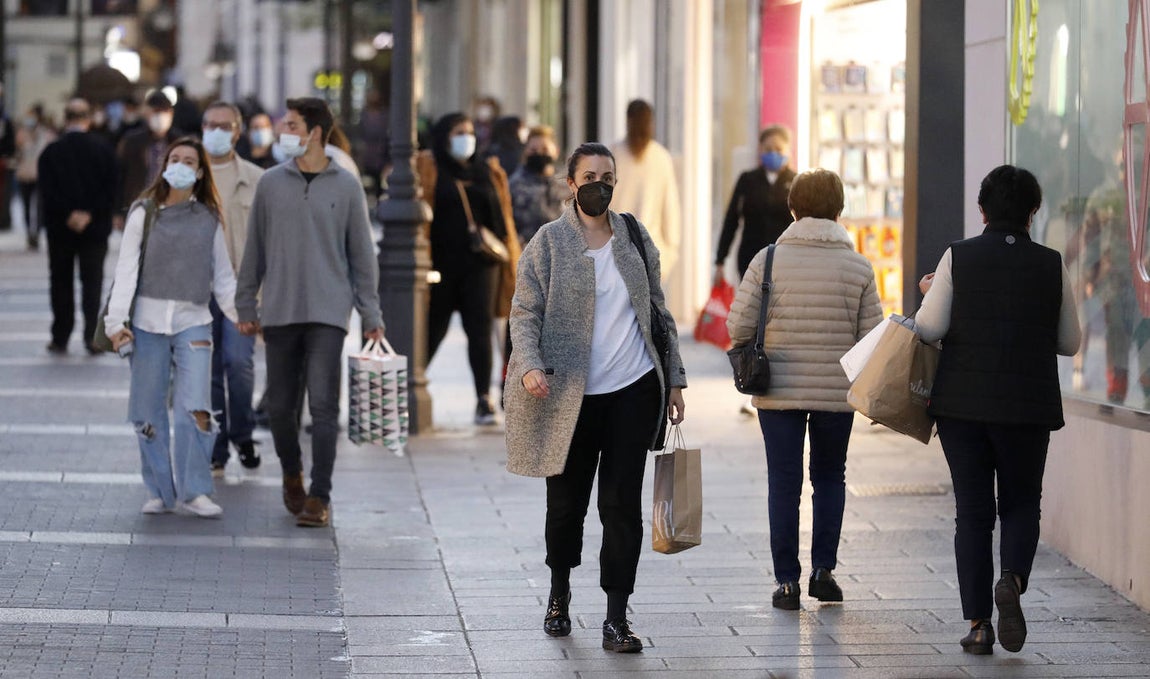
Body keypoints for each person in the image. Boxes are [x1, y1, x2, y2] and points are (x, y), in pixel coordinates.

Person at [504, 142, 687, 653]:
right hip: (569, 395)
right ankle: (559, 590)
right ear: (571, 183)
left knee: (621, 507)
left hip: (632, 389)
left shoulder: (632, 234)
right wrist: (530, 366)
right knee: (566, 507)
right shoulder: (548, 242)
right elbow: (523, 312)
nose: (599, 184)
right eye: (589, 176)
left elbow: (658, 311)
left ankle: (615, 617)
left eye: (607, 176)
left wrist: (674, 378)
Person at [916, 165, 1082, 655]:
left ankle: (979, 626)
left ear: (982, 210)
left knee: (972, 513)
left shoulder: (957, 258)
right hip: (1028, 409)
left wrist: (931, 292)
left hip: (962, 408)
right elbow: (1069, 343)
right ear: (1033, 212)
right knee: (1020, 502)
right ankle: (1010, 577)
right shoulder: (1051, 264)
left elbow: (927, 329)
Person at [726, 168, 882, 612]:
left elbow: (737, 326)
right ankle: (824, 572)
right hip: (837, 393)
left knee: (784, 481)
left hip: (778, 390)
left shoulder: (768, 259)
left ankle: (787, 583)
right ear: (839, 209)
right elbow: (873, 341)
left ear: (793, 208)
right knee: (831, 477)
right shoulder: (859, 266)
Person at [236, 97, 383, 529]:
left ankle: (320, 494)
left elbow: (362, 255)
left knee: (323, 406)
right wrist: (246, 303)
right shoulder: (270, 183)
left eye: (292, 125)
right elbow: (254, 252)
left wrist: (370, 312)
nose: (284, 132)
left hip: (328, 312)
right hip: (279, 310)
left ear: (315, 133)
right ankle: (291, 473)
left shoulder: (346, 185)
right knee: (281, 407)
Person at [103, 136, 236, 518]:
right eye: (173, 158)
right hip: (145, 323)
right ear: (164, 166)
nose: (178, 164)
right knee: (147, 411)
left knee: (196, 408)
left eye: (187, 160)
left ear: (198, 172)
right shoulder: (144, 213)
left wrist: (242, 317)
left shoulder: (209, 218)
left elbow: (223, 277)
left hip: (194, 321)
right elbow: (126, 270)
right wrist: (116, 323)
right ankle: (161, 489)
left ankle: (196, 489)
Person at [424, 112, 510, 425]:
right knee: (434, 327)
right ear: (445, 137)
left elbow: (500, 219)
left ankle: (482, 399)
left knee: (479, 330)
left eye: (470, 131)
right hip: (443, 264)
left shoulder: (486, 170)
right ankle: (411, 386)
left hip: (481, 265)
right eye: (459, 132)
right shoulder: (431, 168)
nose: (466, 138)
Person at [201, 101, 266, 477]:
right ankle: (217, 447)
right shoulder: (188, 175)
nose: (217, 131)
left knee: (239, 365)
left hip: (241, 290)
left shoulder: (257, 179)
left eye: (224, 126)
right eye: (210, 124)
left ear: (237, 132)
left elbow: (269, 243)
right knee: (208, 372)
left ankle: (242, 432)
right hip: (197, 290)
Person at [37, 98, 119, 355]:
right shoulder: (105, 150)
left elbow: (47, 191)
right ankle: (91, 336)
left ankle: (60, 335)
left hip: (61, 228)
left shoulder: (52, 151)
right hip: (95, 229)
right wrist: (89, 213)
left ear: (66, 117)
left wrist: (69, 214)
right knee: (92, 282)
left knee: (60, 280)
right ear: (89, 119)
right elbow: (111, 189)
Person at [609, 100, 681, 281]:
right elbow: (671, 211)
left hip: (615, 254)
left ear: (627, 121)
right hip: (649, 254)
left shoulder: (612, 156)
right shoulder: (661, 158)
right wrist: (670, 253)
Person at [715, 125, 796, 282]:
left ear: (788, 151)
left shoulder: (796, 182)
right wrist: (720, 261)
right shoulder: (747, 180)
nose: (773, 153)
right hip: (750, 259)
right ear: (760, 150)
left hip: (785, 261)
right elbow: (731, 220)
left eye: (778, 149)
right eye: (768, 149)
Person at [117, 90, 182, 221]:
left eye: (164, 112)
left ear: (171, 114)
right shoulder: (132, 142)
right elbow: (120, 176)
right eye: (156, 111)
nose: (160, 116)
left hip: (171, 208)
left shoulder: (179, 142)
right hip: (138, 207)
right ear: (147, 113)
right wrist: (117, 212)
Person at [509, 126, 566, 247]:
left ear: (556, 151)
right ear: (525, 152)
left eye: (545, 150)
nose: (539, 154)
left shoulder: (567, 184)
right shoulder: (514, 185)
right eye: (533, 150)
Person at [15, 103, 56, 250]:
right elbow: (18, 151)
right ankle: (29, 233)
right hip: (24, 174)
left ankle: (36, 233)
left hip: (40, 175)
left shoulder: (47, 134)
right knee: (26, 206)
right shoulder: (21, 133)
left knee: (39, 207)